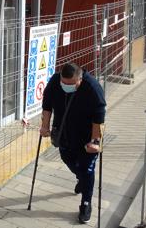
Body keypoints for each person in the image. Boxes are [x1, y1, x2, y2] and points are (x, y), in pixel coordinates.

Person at [39, 62, 106, 224]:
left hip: (87, 135)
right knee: (67, 158)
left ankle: (86, 203)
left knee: (87, 168)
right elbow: (47, 105)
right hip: (64, 132)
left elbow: (99, 116)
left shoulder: (92, 88)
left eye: (71, 84)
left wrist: (95, 141)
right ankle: (81, 179)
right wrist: (45, 126)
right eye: (64, 83)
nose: (66, 86)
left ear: (80, 79)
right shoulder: (55, 81)